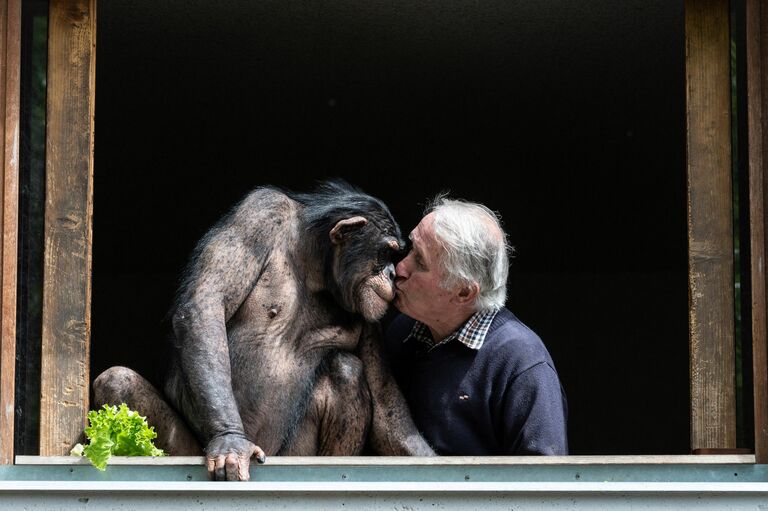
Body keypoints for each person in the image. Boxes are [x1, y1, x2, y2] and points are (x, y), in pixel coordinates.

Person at [385, 194, 568, 455]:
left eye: (420, 262)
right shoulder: (401, 333)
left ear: (463, 293)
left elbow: (545, 486)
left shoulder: (521, 362)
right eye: (411, 248)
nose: (400, 267)